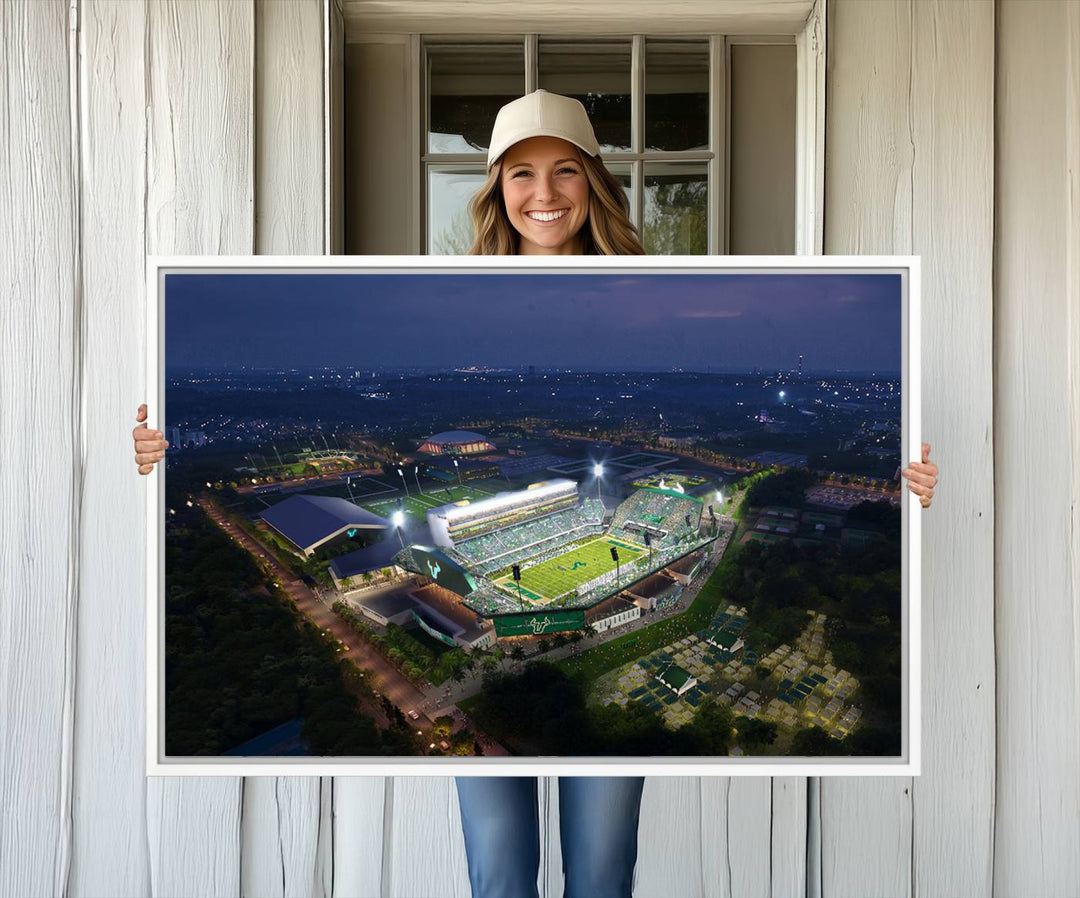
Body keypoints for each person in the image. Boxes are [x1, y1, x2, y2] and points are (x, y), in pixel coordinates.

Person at [131, 89, 939, 898]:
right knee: (499, 868)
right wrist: (157, 451)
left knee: (600, 867)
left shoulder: (653, 288)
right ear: (495, 189)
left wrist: (907, 482)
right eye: (521, 173)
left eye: (564, 172)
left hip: (571, 617)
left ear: (594, 182)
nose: (544, 193)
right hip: (517, 567)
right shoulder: (452, 293)